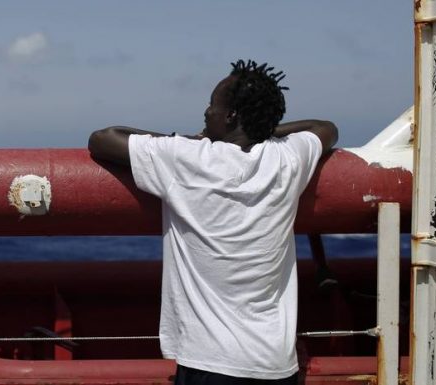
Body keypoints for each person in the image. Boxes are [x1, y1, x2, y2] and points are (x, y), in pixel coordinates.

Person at [88, 60, 338, 385]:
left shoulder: (187, 158)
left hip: (212, 363)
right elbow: (326, 128)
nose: (206, 113)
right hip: (277, 364)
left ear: (231, 116)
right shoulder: (287, 157)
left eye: (212, 106)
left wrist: (188, 140)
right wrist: (262, 129)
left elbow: (103, 138)